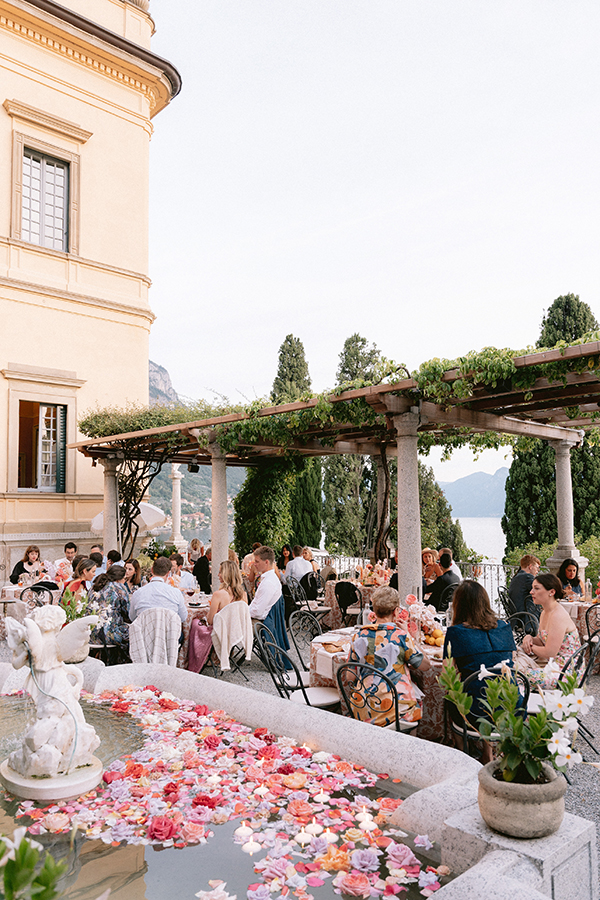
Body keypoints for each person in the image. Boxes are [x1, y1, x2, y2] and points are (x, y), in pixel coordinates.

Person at [443, 580, 519, 762]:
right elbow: (511, 661)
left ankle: (463, 754)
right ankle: (488, 752)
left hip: (474, 711)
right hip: (511, 704)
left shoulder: (456, 632)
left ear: (458, 605)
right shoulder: (503, 626)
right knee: (486, 687)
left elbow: (447, 674)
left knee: (452, 697)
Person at [348, 586, 430, 727]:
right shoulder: (401, 636)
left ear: (374, 611)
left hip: (363, 706)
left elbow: (349, 677)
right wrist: (411, 637)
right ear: (396, 611)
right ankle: (407, 743)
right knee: (415, 703)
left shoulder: (358, 635)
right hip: (395, 709)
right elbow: (426, 666)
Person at [520, 573, 581, 688]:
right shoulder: (545, 612)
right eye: (532, 588)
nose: (531, 592)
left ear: (551, 592)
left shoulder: (558, 615)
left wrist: (529, 646)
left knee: (516, 675)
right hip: (554, 666)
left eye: (536, 588)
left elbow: (549, 652)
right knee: (512, 670)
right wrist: (529, 638)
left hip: (566, 673)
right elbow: (542, 640)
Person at [129, 556, 187, 623]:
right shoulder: (176, 593)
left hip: (145, 632)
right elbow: (183, 618)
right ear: (168, 573)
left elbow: (132, 618)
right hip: (169, 632)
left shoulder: (137, 593)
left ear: (152, 570)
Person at [88, 565, 131, 651]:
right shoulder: (119, 587)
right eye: (124, 579)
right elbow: (127, 613)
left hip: (90, 634)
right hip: (108, 634)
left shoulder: (94, 586)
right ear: (119, 579)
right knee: (135, 633)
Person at [206, 559, 247, 625]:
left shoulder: (218, 594)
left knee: (195, 623)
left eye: (220, 572)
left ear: (225, 574)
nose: (218, 575)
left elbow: (210, 621)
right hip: (238, 633)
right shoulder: (244, 595)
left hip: (221, 633)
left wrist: (208, 615)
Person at [508, 554, 541, 632]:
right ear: (530, 567)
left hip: (516, 616)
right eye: (537, 567)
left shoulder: (516, 577)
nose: (538, 570)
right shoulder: (528, 577)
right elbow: (539, 592)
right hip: (526, 618)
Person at [248, 546, 282, 621]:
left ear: (266, 562)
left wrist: (242, 612)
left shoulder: (269, 582)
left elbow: (258, 612)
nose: (254, 564)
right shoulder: (268, 579)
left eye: (257, 561)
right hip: (259, 619)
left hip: (260, 623)